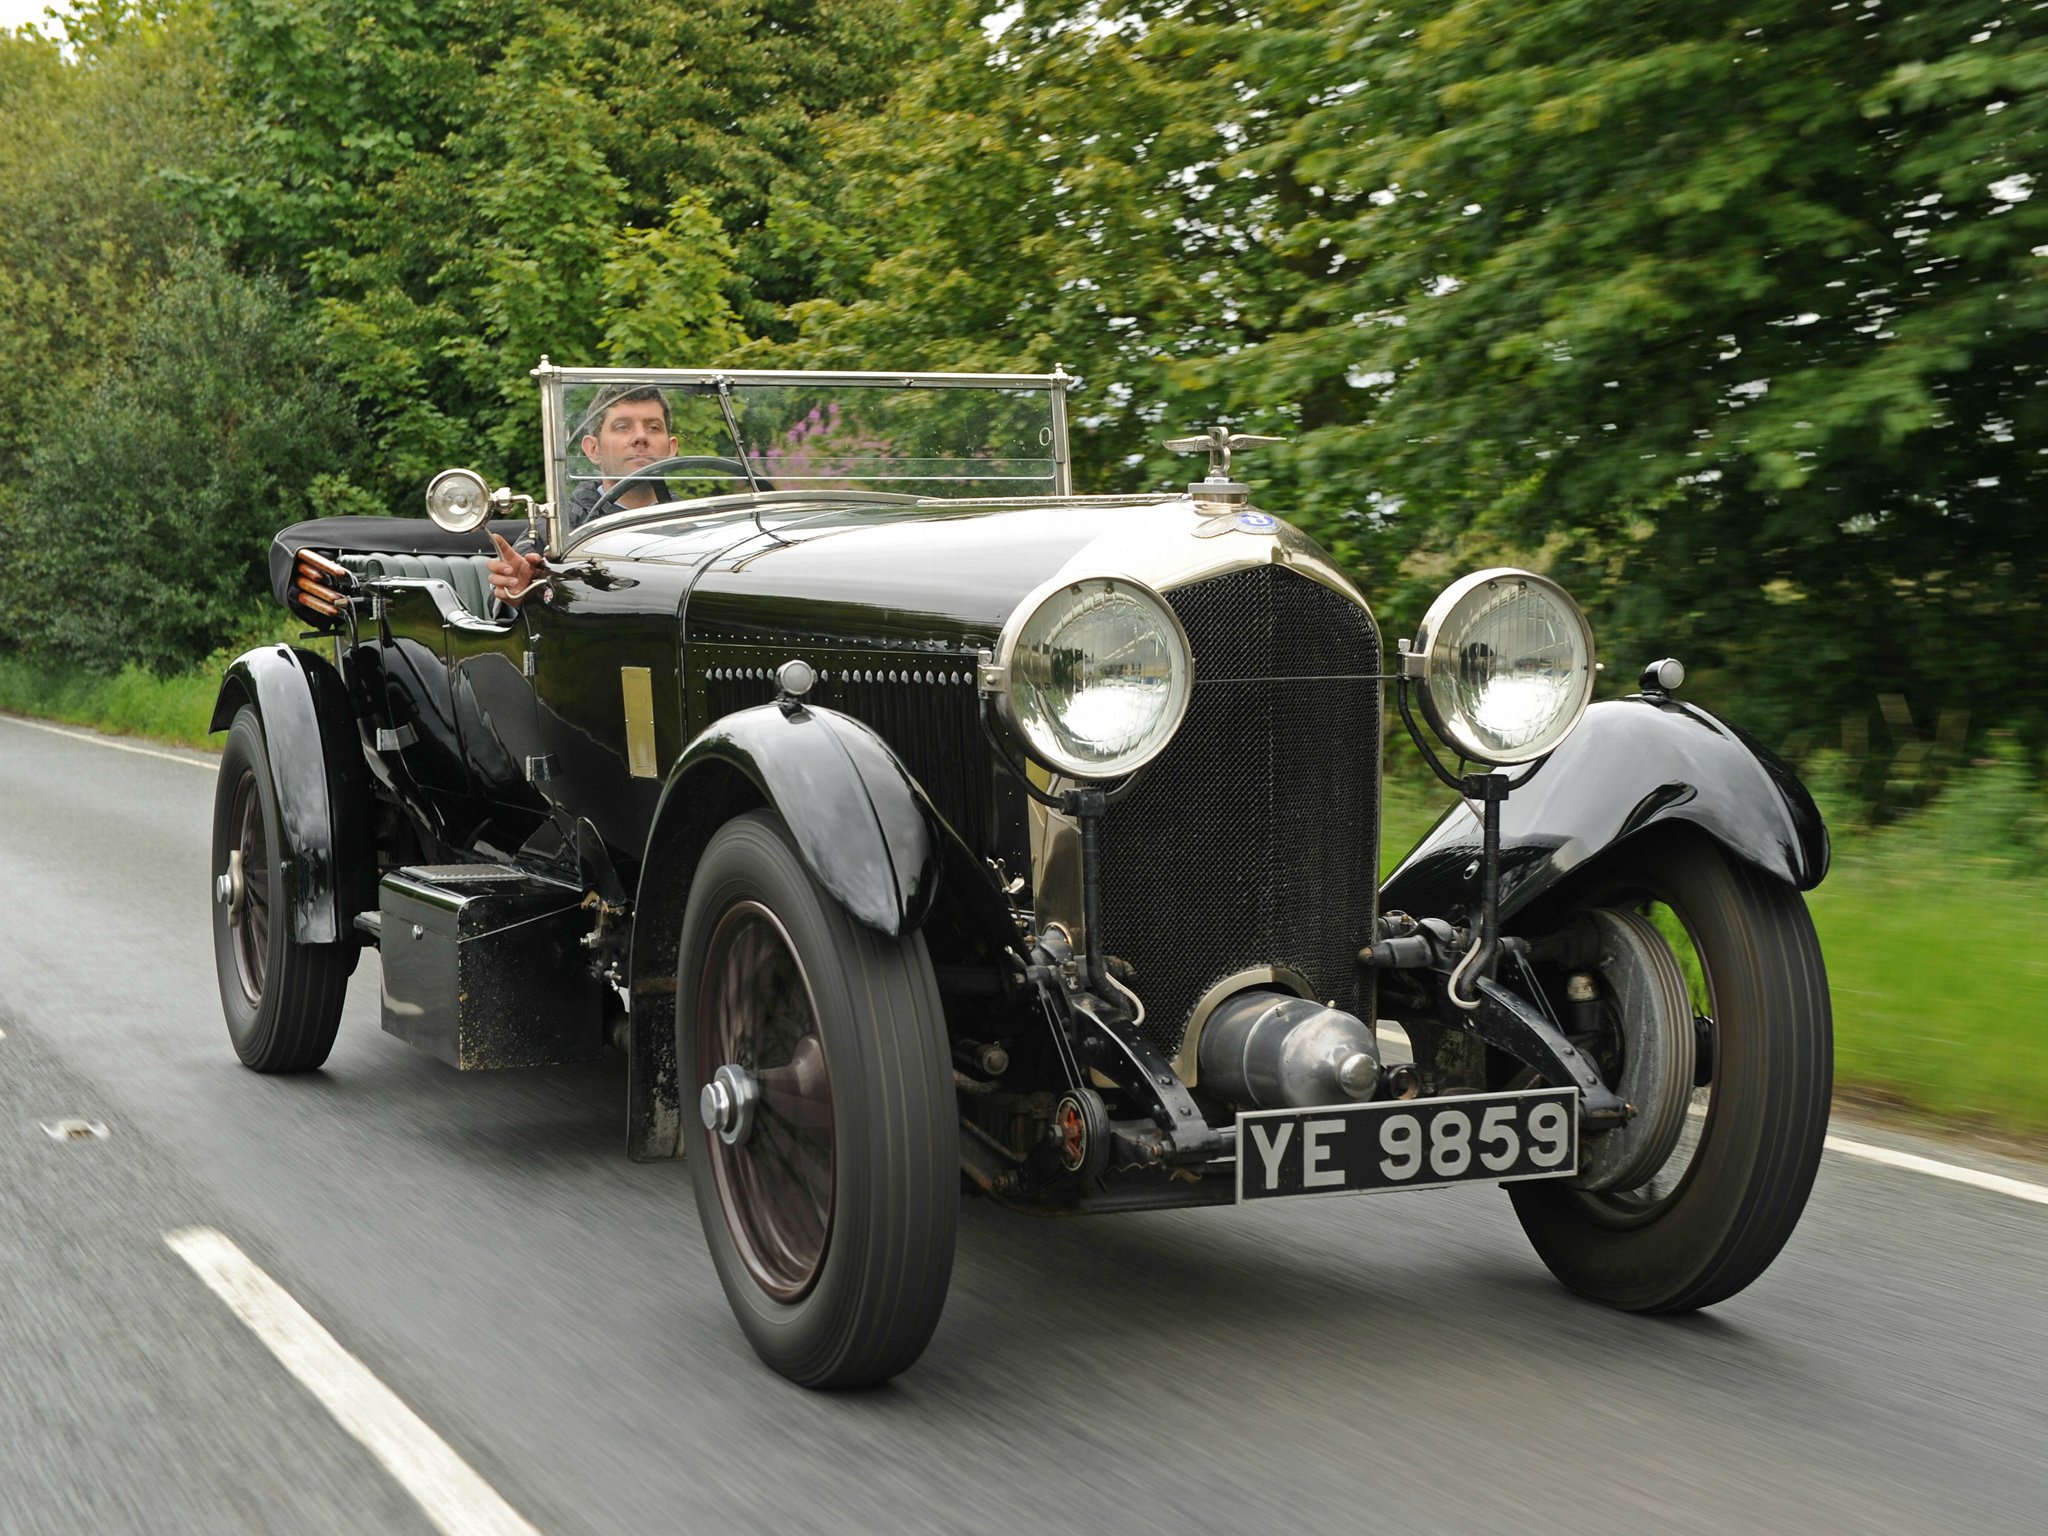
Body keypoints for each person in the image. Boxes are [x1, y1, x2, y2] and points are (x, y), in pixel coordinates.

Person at [487, 384, 678, 608]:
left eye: (653, 427)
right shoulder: (556, 529)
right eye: (623, 427)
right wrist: (521, 594)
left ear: (671, 448)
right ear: (593, 449)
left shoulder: (697, 528)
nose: (640, 437)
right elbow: (504, 596)